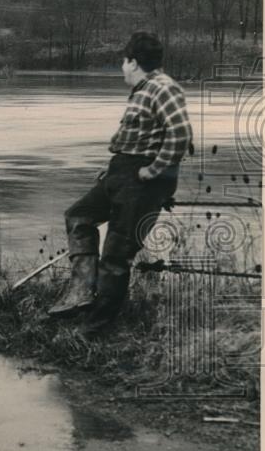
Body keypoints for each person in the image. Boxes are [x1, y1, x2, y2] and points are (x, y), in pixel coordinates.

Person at [48, 31, 194, 331]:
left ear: (133, 62)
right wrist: (111, 169)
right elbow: (137, 138)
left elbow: (180, 136)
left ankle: (96, 326)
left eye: (123, 62)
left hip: (143, 181)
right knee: (79, 216)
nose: (122, 69)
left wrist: (153, 172)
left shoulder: (164, 89)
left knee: (116, 254)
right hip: (122, 173)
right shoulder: (143, 90)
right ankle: (80, 292)